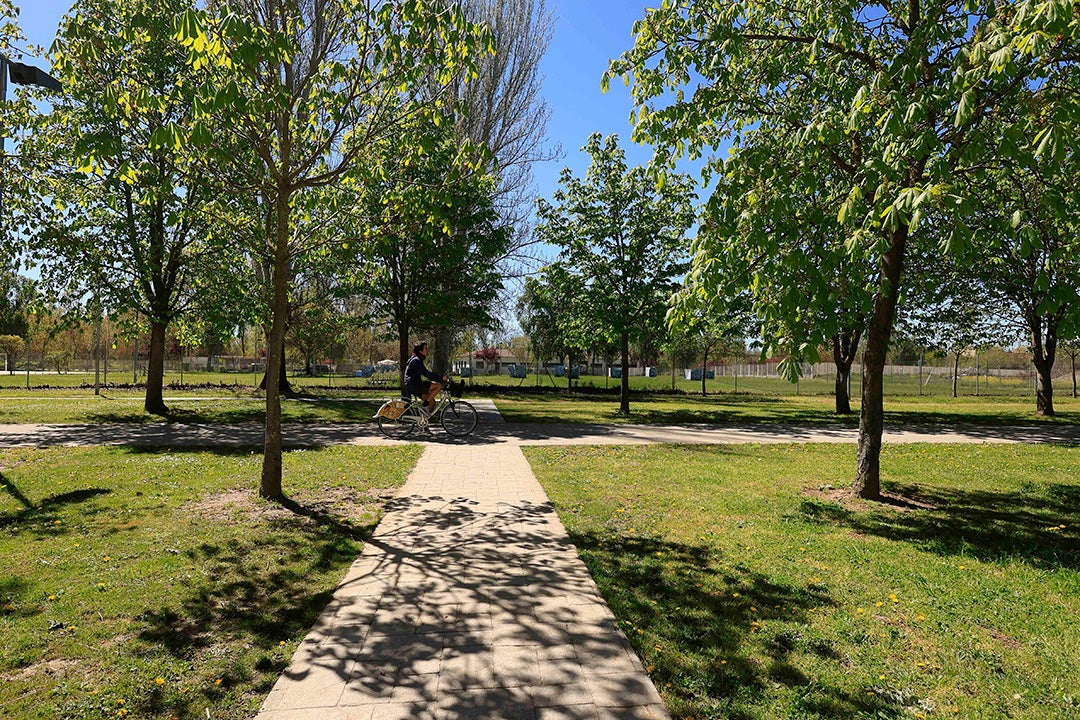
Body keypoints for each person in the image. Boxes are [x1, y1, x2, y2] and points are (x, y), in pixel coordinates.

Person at [404, 342, 447, 415]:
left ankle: (422, 421)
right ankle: (424, 405)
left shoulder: (417, 359)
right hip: (414, 385)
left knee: (432, 402)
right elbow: (427, 374)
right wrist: (441, 378)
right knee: (438, 386)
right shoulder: (416, 361)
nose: (427, 350)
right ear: (420, 351)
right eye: (425, 348)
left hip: (413, 385)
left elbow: (426, 374)